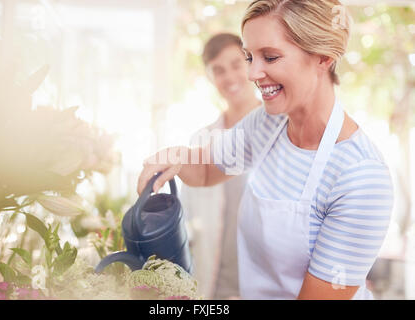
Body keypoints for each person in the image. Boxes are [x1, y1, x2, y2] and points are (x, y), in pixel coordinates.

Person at [137, 0, 393, 300]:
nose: (251, 73)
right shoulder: (269, 124)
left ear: (323, 57)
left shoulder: (360, 177)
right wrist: (175, 157)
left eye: (270, 57)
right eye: (249, 56)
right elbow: (207, 171)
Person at [179, 33, 261, 300]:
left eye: (237, 65)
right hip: (216, 288)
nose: (230, 77)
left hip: (268, 286)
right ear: (211, 77)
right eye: (219, 70)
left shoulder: (282, 129)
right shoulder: (201, 141)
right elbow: (187, 218)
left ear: (251, 63)